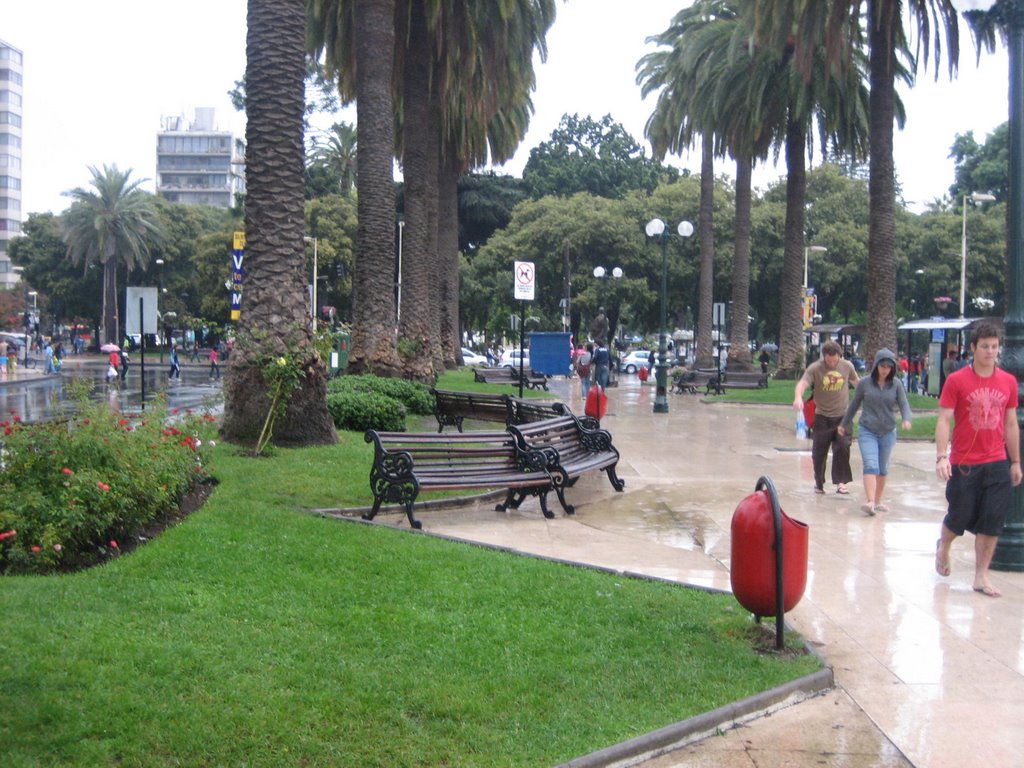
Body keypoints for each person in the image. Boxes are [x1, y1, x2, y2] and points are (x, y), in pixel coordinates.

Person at [934, 322, 1022, 598]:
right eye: (984, 346)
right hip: (964, 462)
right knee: (959, 516)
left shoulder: (1008, 382)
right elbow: (944, 419)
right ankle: (944, 546)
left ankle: (981, 576)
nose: (990, 352)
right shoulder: (957, 380)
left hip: (996, 461)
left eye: (994, 347)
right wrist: (941, 457)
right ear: (973, 348)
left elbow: (1010, 423)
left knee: (992, 521)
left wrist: (1016, 461)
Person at [838, 348, 913, 515]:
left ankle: (878, 501)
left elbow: (904, 404)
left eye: (888, 366)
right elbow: (854, 405)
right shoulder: (865, 383)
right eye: (882, 366)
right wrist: (844, 423)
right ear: (876, 366)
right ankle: (870, 501)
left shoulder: (896, 384)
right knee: (871, 464)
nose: (885, 369)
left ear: (893, 367)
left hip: (888, 431)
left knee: (882, 467)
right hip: (868, 430)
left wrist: (907, 419)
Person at [793, 340, 860, 495]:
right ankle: (819, 483)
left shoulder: (847, 366)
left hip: (843, 416)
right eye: (828, 360)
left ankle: (841, 483)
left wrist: (868, 393)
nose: (831, 363)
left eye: (834, 360)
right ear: (824, 357)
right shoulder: (815, 368)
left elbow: (857, 382)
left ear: (839, 356)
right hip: (822, 416)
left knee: (843, 447)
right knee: (819, 452)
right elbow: (802, 383)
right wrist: (798, 397)